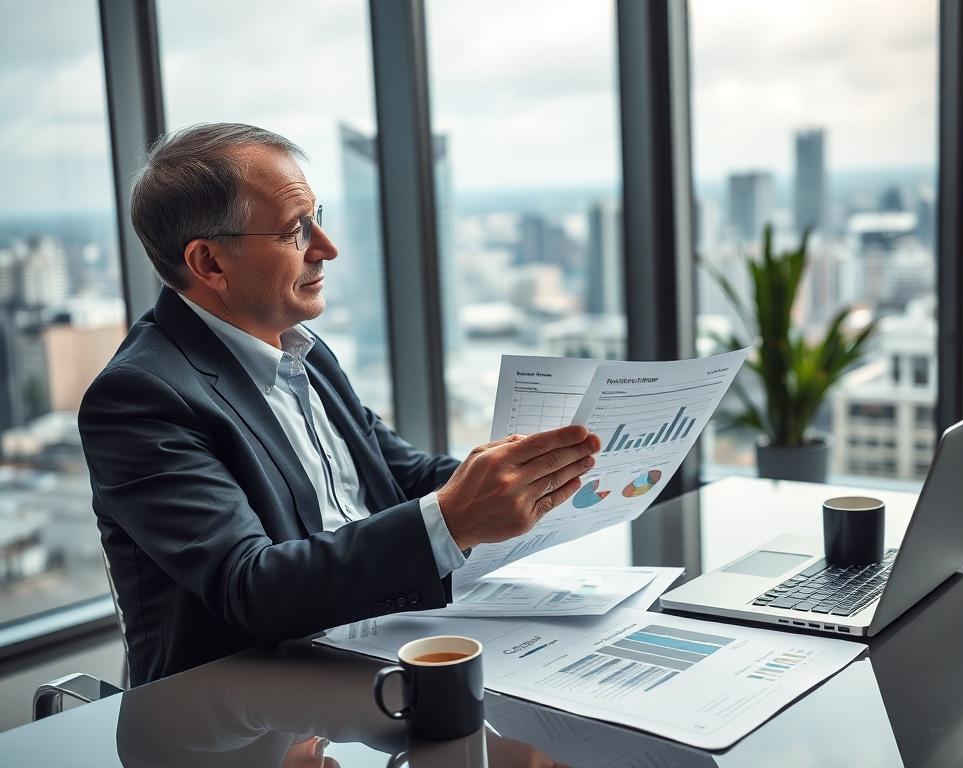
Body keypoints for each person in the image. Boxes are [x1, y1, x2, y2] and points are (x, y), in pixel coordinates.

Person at [79, 123, 600, 686]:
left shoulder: (302, 348)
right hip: (248, 711)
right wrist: (453, 517)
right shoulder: (139, 398)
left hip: (383, 649)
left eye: (316, 219)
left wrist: (532, 474)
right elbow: (249, 586)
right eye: (294, 232)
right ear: (209, 263)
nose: (327, 248)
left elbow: (400, 476)